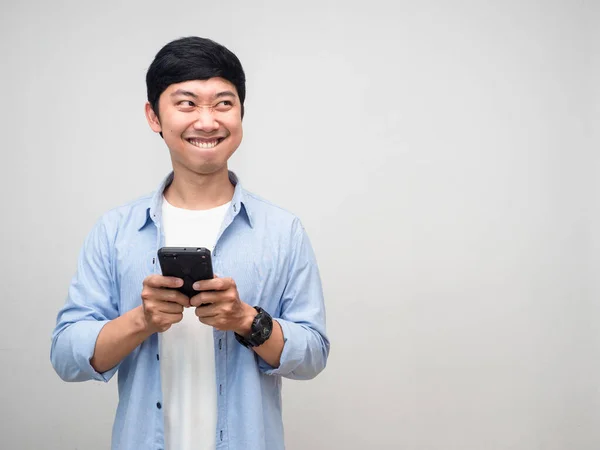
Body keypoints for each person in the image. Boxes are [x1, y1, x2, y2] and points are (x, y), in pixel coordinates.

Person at [50, 36, 329, 450]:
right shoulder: (115, 231)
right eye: (186, 103)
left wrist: (247, 321)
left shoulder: (282, 230)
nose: (207, 121)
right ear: (153, 116)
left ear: (240, 114)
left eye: (223, 103)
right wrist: (141, 321)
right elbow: (66, 356)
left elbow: (313, 356)